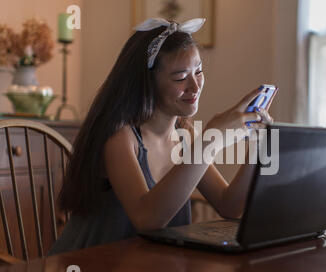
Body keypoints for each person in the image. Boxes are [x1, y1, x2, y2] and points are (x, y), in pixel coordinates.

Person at [48, 18, 275, 255]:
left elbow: (230, 205)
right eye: (180, 78)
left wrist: (259, 146)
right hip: (90, 271)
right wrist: (212, 139)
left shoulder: (184, 136)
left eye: (198, 71)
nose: (195, 87)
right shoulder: (120, 138)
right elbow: (147, 220)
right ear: (147, 83)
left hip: (145, 271)